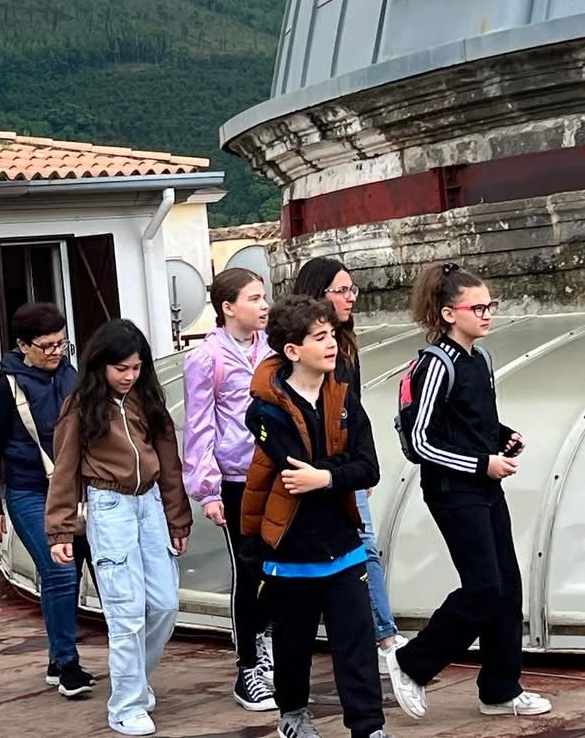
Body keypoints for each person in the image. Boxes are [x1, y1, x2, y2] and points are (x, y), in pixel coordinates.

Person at [381, 263, 552, 719]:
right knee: (482, 589)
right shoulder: (436, 364)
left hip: (483, 486)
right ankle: (411, 663)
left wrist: (502, 436)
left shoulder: (481, 359)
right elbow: (419, 440)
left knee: (507, 586)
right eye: (478, 307)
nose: (488, 313)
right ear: (448, 313)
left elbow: (472, 421)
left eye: (490, 305)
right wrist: (482, 463)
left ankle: (499, 689)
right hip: (453, 491)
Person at [242, 295, 393, 738]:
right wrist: (337, 470)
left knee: (357, 646)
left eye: (333, 335)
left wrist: (327, 478)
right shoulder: (265, 408)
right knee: (294, 645)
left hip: (344, 545)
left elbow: (369, 468)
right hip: (289, 547)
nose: (332, 344)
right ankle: (292, 713)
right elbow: (294, 467)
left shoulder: (344, 397)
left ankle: (369, 728)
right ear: (292, 351)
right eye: (320, 337)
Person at [47, 319, 191, 737]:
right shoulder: (81, 406)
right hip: (108, 506)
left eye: (136, 367)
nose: (129, 376)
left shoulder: (146, 398)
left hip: (149, 505)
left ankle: (135, 681)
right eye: (121, 369)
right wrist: (60, 529)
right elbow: (64, 469)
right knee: (125, 613)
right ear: (101, 366)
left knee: (164, 604)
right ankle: (125, 703)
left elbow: (168, 461)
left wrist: (177, 517)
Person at [293, 258, 405, 668]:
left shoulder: (346, 347)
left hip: (342, 468)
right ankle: (271, 638)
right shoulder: (298, 354)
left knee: (363, 547)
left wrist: (361, 465)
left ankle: (384, 634)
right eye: (341, 290)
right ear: (317, 294)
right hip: (313, 470)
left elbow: (352, 412)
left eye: (352, 290)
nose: (350, 298)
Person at [0, 302, 97, 697]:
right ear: (22, 346)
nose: (54, 352)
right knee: (59, 570)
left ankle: (57, 656)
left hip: (77, 491)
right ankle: (67, 664)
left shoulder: (73, 377)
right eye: (46, 345)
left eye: (61, 344)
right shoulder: (5, 389)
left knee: (78, 572)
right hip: (29, 491)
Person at [181, 268, 276, 711]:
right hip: (238, 480)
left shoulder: (272, 349)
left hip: (277, 474)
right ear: (228, 307)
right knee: (249, 569)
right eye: (254, 298)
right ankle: (248, 667)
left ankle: (273, 653)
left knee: (281, 567)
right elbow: (198, 426)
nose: (263, 305)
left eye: (264, 297)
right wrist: (208, 490)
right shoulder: (206, 357)